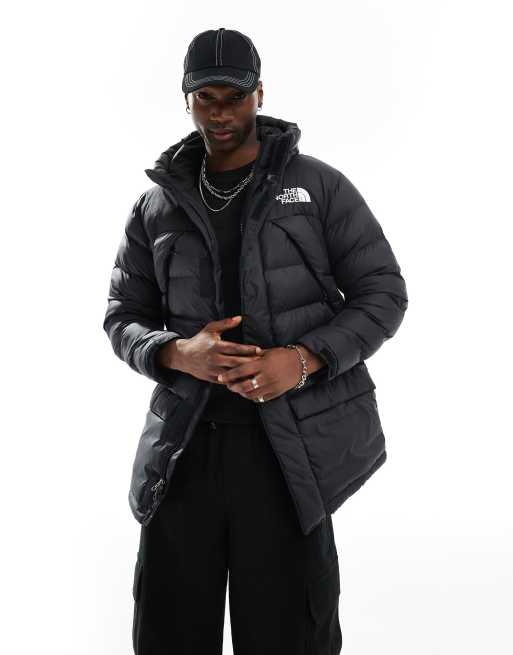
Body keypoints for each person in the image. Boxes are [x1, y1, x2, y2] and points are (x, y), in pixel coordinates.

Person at [102, 27, 408, 655]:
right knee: (167, 631)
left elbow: (383, 292)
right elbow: (122, 316)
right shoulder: (155, 207)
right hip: (185, 449)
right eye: (205, 98)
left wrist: (302, 360)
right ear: (186, 98)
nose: (220, 114)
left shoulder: (318, 187)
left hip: (288, 453)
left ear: (259, 94)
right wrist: (175, 352)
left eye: (234, 97)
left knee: (290, 634)